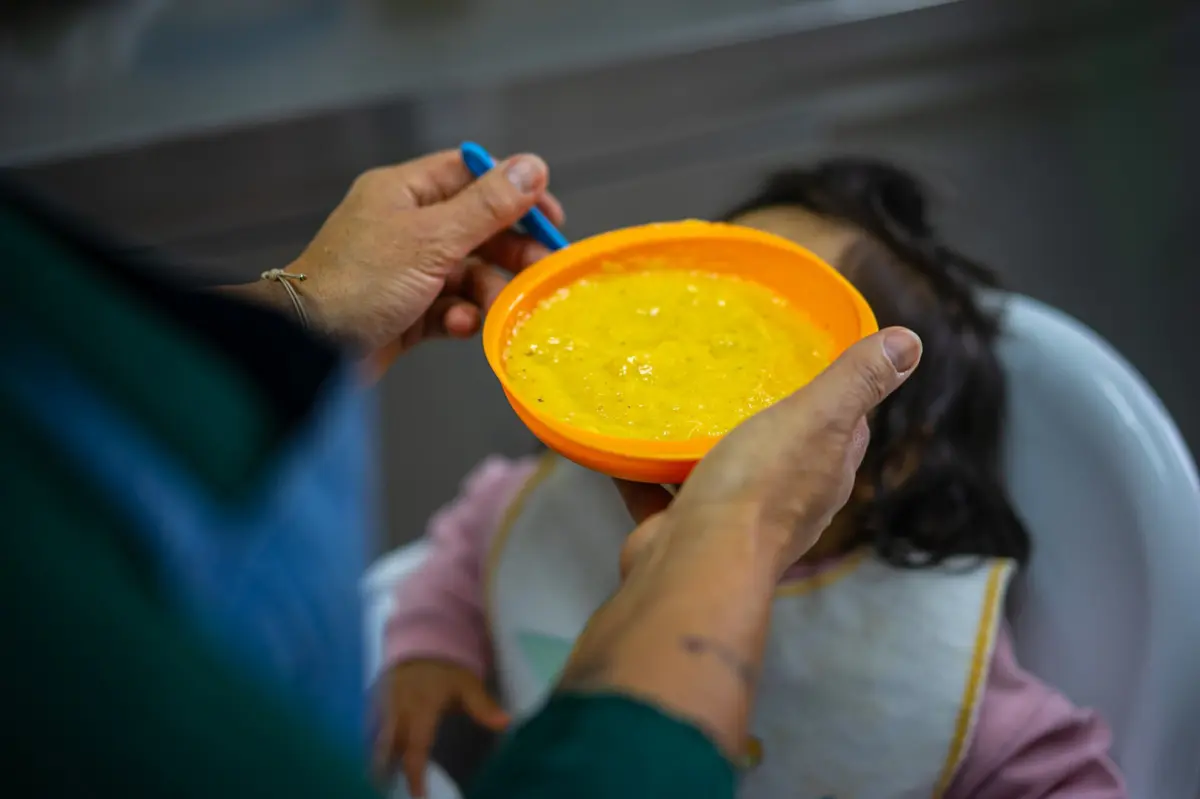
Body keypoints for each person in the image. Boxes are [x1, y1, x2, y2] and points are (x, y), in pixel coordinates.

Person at [0, 147, 917, 799]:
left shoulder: (944, 649)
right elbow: (464, 548)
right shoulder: (60, 650)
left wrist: (307, 307)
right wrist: (734, 536)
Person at [376, 160, 1127, 798]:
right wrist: (432, 646)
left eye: (752, 326)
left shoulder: (921, 643)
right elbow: (475, 532)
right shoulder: (575, 500)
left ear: (891, 456)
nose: (692, 352)